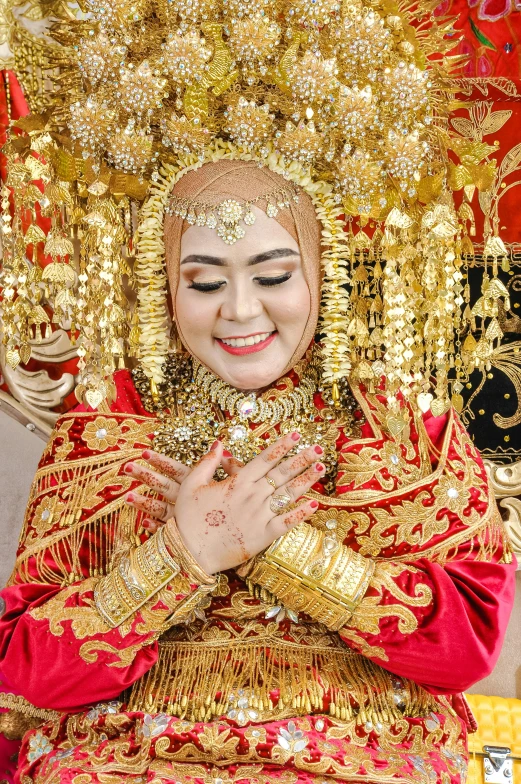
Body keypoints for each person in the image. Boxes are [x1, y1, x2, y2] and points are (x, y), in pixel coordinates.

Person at [0, 159, 516, 784]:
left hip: (364, 753)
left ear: (324, 273)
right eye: (205, 284)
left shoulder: (400, 424)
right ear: (165, 285)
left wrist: (277, 546)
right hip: (124, 755)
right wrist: (183, 552)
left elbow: (465, 648)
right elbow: (30, 666)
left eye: (273, 275)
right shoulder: (111, 425)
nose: (241, 311)